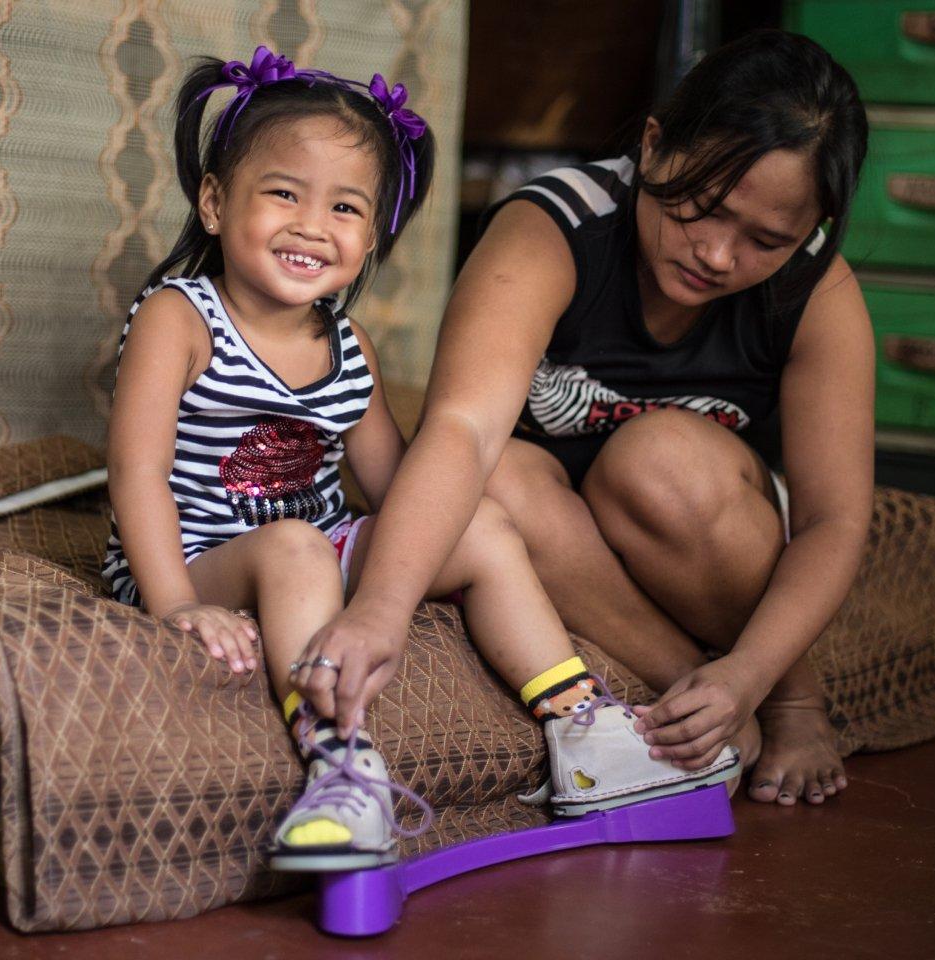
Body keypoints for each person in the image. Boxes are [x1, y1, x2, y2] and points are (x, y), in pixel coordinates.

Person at [101, 47, 740, 873]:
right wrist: (175, 605)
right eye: (283, 194)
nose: (310, 224)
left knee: (470, 521)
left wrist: (450, 542)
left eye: (344, 208)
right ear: (217, 203)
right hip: (195, 560)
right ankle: (341, 769)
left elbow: (395, 486)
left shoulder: (348, 345)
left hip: (312, 555)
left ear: (370, 240)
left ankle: (584, 733)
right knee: (296, 543)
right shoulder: (177, 317)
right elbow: (136, 474)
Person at [297, 30, 875, 808]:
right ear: (654, 145)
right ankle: (690, 692)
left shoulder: (815, 289)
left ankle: (786, 698)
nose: (717, 253)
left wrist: (762, 674)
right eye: (702, 206)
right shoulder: (554, 230)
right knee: (490, 477)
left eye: (766, 239)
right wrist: (379, 610)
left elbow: (835, 519)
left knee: (658, 460)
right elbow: (462, 433)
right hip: (562, 530)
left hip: (698, 524)